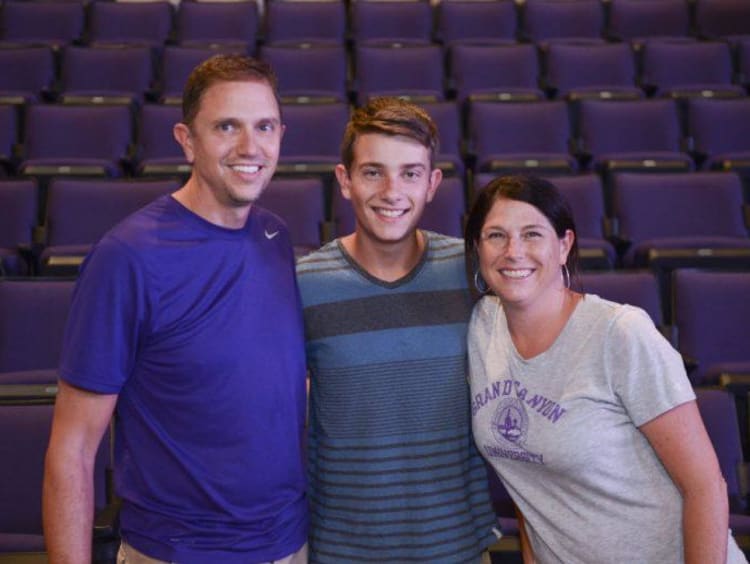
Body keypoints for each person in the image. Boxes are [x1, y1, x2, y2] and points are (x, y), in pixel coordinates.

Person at [43, 55, 308, 564]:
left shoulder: (276, 236)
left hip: (289, 545)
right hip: (178, 552)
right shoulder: (127, 256)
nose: (251, 147)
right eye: (227, 126)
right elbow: (72, 451)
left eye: (265, 127)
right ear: (187, 140)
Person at [465, 174, 746, 564]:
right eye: (496, 235)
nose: (513, 251)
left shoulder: (620, 333)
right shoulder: (480, 329)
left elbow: (705, 486)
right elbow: (531, 486)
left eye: (532, 234)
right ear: (477, 247)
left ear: (564, 246)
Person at [296, 97, 498, 563]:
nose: (392, 191)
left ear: (432, 184)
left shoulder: (473, 271)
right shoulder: (303, 283)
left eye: (409, 173)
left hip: (459, 549)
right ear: (345, 181)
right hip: (342, 552)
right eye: (372, 172)